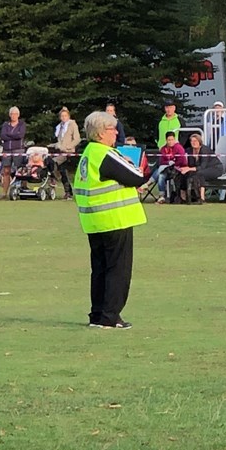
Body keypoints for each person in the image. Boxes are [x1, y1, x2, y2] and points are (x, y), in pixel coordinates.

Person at [76, 111, 148, 329]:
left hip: (94, 220)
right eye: (112, 129)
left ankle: (97, 315)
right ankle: (111, 317)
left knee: (99, 269)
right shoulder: (106, 153)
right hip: (115, 218)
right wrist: (129, 162)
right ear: (100, 133)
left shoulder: (89, 153)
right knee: (118, 270)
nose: (116, 132)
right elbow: (137, 176)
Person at [53, 106, 81, 198]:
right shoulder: (60, 127)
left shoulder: (72, 125)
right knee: (61, 170)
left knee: (60, 168)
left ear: (68, 116)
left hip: (69, 152)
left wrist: (68, 147)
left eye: (65, 116)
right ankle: (67, 191)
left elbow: (77, 139)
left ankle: (68, 191)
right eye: (62, 116)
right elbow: (60, 140)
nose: (63, 118)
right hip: (60, 151)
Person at [0, 106, 26, 198]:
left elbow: (20, 135)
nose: (13, 116)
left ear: (18, 115)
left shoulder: (22, 124)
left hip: (18, 149)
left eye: (15, 114)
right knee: (6, 171)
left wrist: (9, 135)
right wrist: (13, 135)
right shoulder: (5, 125)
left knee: (20, 170)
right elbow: (3, 136)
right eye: (12, 114)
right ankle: (4, 193)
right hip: (6, 150)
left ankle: (23, 188)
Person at [180, 133, 215, 204]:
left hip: (213, 168)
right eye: (192, 141)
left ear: (199, 141)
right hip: (197, 169)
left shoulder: (204, 150)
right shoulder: (189, 151)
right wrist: (185, 168)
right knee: (183, 174)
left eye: (195, 141)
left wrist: (189, 169)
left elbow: (203, 166)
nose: (193, 143)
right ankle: (183, 197)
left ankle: (202, 198)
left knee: (200, 173)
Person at [154, 131, 186, 203]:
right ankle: (162, 196)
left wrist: (173, 163)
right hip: (167, 169)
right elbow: (161, 161)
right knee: (161, 175)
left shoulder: (179, 148)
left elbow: (182, 161)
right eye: (169, 140)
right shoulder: (163, 149)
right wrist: (169, 162)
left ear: (174, 139)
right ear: (166, 140)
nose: (171, 142)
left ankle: (149, 183)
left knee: (161, 170)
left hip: (177, 170)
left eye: (172, 140)